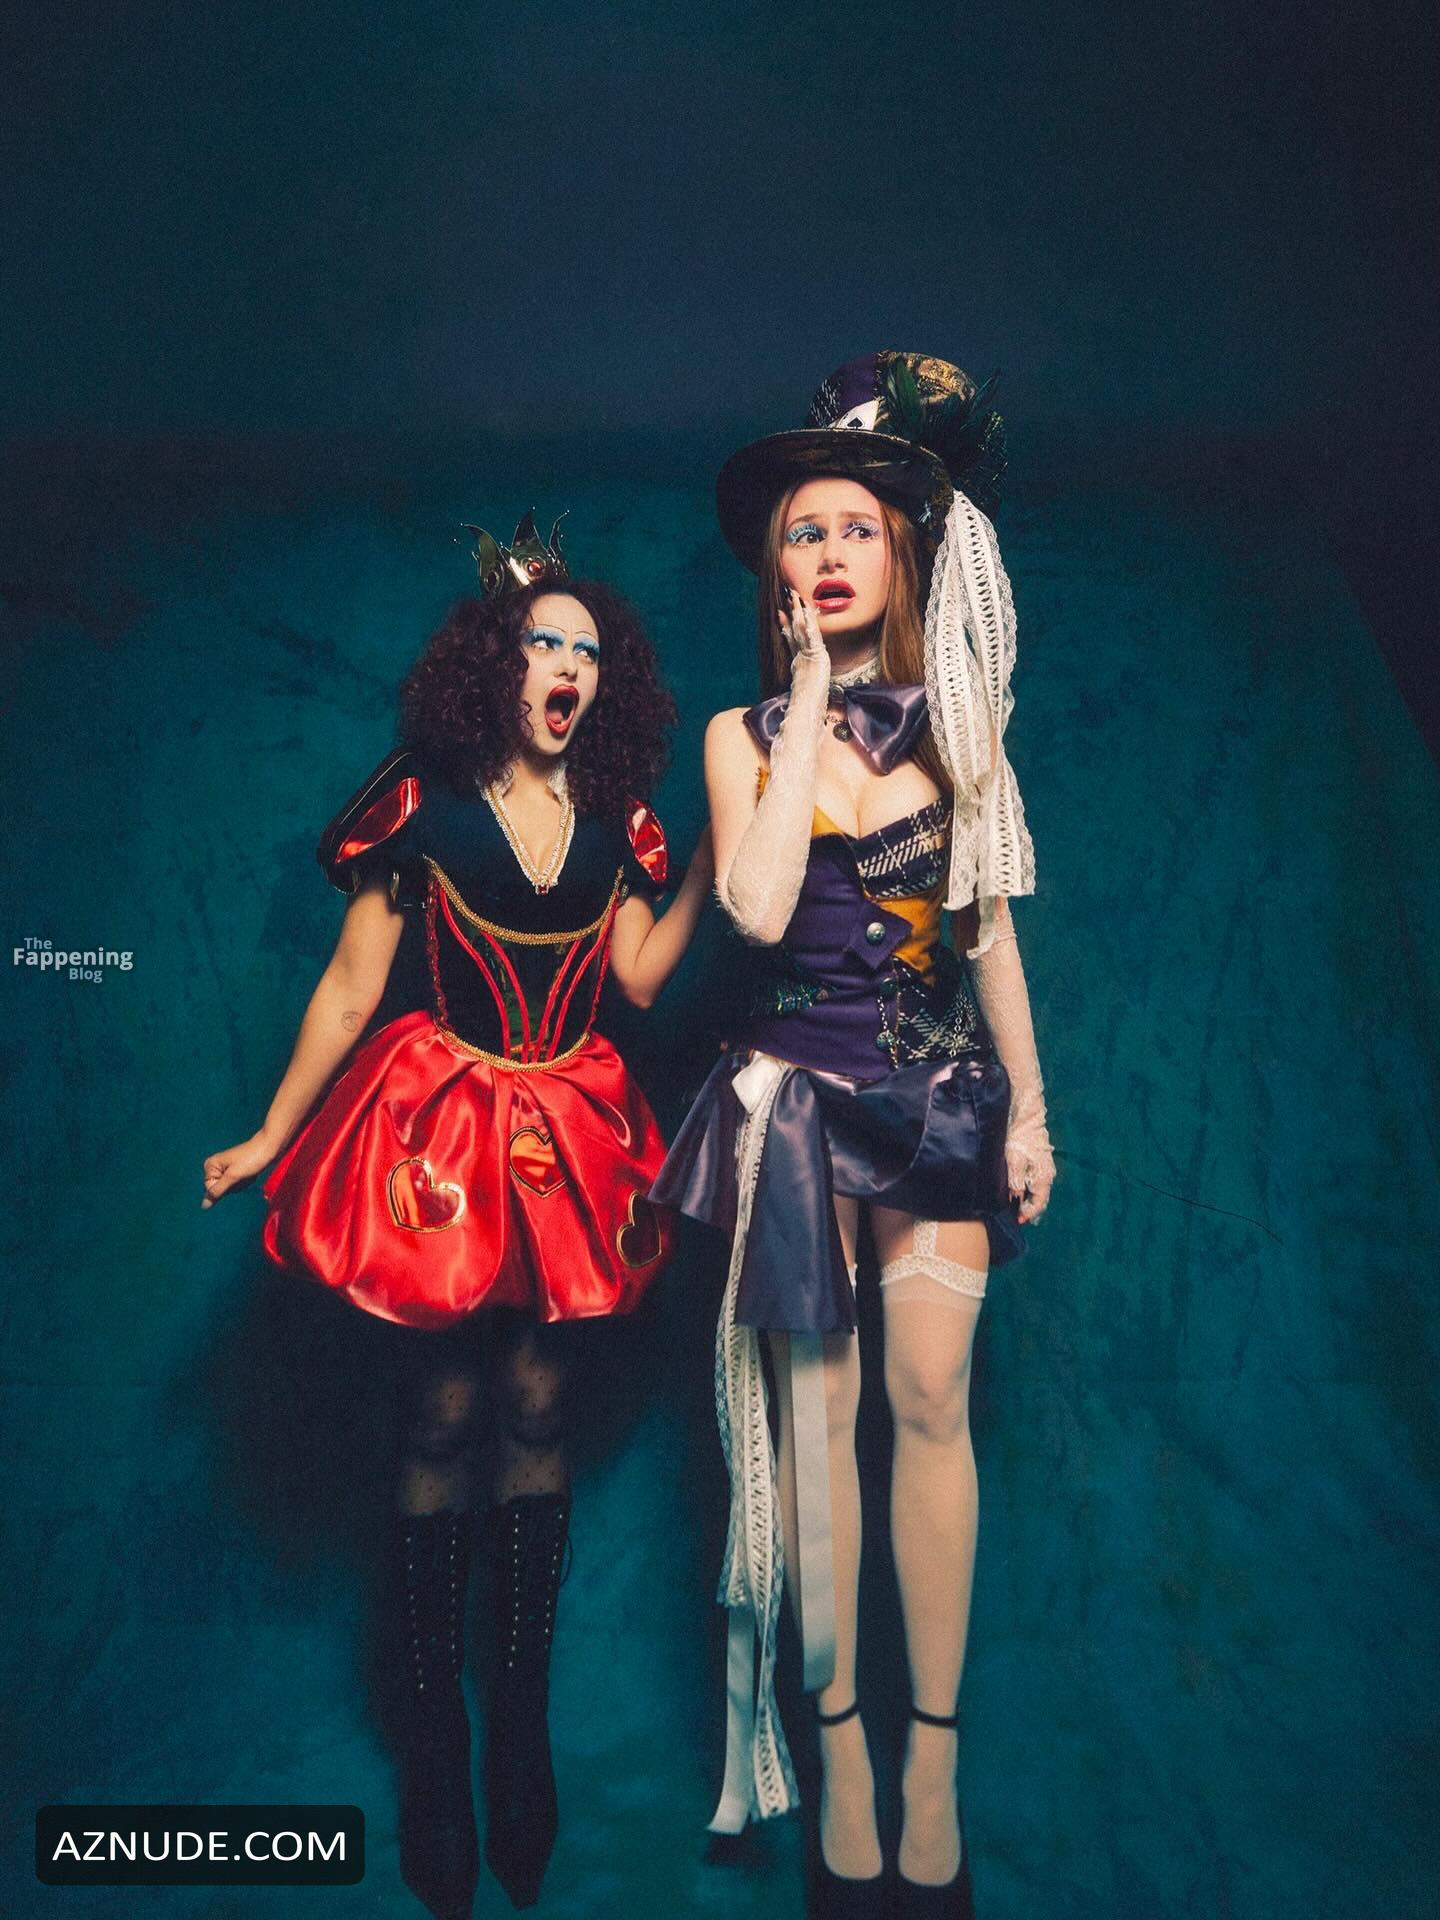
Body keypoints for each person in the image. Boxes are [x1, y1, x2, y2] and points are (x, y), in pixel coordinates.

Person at [202, 513, 714, 1918]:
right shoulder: (421, 805)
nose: (568, 667)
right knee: (440, 1412)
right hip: (438, 1132)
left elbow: (643, 981)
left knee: (538, 1403)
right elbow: (351, 986)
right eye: (544, 642)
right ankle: (435, 1749)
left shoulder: (620, 819)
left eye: (587, 651)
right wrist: (272, 1133)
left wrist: (725, 853)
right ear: (496, 662)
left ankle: (519, 1731)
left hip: (568, 1133)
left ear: (608, 682)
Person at [652, 353, 1056, 1918]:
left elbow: (990, 930)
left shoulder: (963, 731)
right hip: (797, 1115)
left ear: (903, 554)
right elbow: (755, 910)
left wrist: (1033, 1109)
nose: (825, 552)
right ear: (777, 571)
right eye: (800, 535)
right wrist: (812, 697)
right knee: (817, 1447)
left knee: (932, 1405)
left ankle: (931, 1757)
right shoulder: (739, 735)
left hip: (940, 1105)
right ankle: (842, 1758)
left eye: (854, 531)